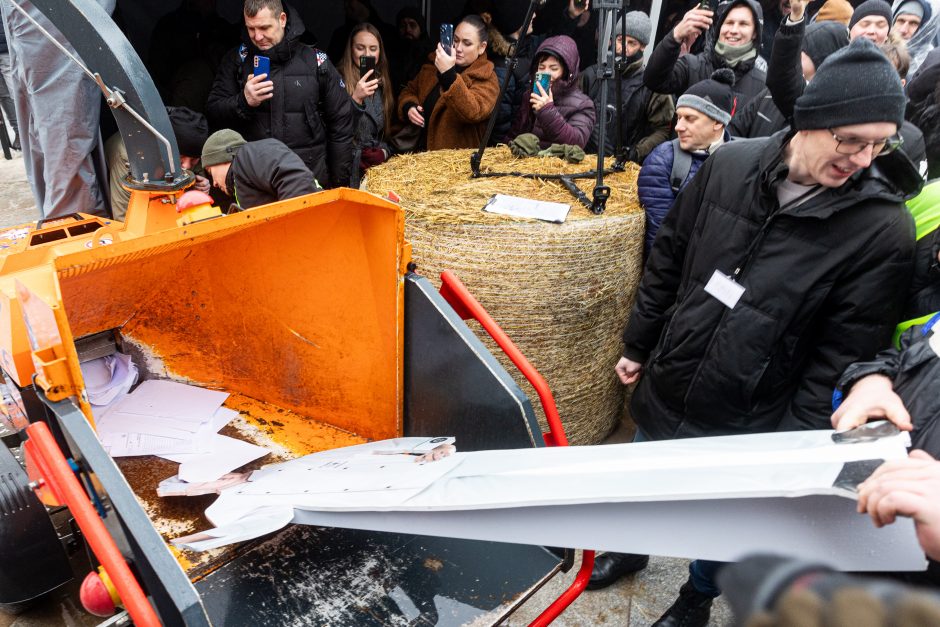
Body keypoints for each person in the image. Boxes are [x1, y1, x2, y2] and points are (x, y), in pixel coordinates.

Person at [617, 38, 918, 626]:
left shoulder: (882, 229)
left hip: (753, 413)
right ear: (811, 121)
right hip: (673, 377)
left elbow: (843, 353)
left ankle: (695, 597)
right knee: (637, 482)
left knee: (729, 525)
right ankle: (626, 549)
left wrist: (791, 448)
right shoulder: (728, 165)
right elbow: (670, 261)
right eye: (850, 140)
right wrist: (638, 343)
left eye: (879, 144)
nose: (862, 159)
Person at [206, 0, 354, 190]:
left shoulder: (316, 61)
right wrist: (244, 102)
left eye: (264, 27)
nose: (257, 36)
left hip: (309, 181)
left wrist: (339, 185)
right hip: (255, 185)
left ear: (282, 19)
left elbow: (341, 125)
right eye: (251, 29)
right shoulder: (237, 60)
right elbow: (212, 113)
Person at [639, 70, 735, 257]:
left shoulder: (739, 161)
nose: (678, 127)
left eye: (690, 119)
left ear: (717, 122)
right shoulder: (663, 160)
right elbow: (659, 242)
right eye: (679, 117)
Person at [580, 11, 675, 162]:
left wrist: (635, 152)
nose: (623, 48)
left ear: (643, 46)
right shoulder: (592, 75)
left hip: (624, 168)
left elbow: (662, 129)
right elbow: (574, 112)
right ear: (612, 40)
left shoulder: (652, 85)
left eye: (632, 43)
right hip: (583, 159)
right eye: (620, 40)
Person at [730, 20, 848, 138]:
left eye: (802, 49)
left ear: (822, 59)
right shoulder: (770, 92)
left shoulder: (824, 112)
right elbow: (736, 127)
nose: (794, 53)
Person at [398, 15, 499, 151]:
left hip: (454, 164)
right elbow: (409, 90)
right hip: (419, 157)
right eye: (455, 40)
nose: (458, 48)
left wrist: (449, 76)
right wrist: (409, 106)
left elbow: (473, 112)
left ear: (482, 47)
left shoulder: (487, 77)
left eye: (467, 43)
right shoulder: (434, 64)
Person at [643, 0, 767, 107]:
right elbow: (653, 80)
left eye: (743, 24)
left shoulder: (762, 85)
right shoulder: (692, 66)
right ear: (719, 28)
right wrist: (675, 36)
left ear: (755, 32)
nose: (734, 30)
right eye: (729, 23)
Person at [105, 107, 211, 220]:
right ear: (164, 150)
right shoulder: (128, 155)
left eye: (194, 160)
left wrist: (197, 189)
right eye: (180, 160)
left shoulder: (186, 130)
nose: (187, 166)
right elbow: (124, 216)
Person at [507, 35, 594, 149]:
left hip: (558, 165)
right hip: (528, 164)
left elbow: (577, 142)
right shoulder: (530, 95)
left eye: (554, 69)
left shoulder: (583, 104)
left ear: (567, 72)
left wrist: (547, 110)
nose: (546, 74)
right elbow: (514, 134)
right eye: (541, 67)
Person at [200, 129, 320, 209]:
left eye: (210, 172)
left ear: (223, 158)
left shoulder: (247, 155)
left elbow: (297, 180)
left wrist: (291, 225)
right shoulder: (241, 176)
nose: (214, 183)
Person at [338, 23, 394, 187]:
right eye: (360, 48)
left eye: (373, 49)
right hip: (349, 169)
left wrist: (384, 152)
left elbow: (388, 132)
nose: (367, 54)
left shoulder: (382, 82)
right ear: (351, 50)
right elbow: (336, 129)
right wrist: (356, 99)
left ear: (380, 52)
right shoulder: (338, 79)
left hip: (376, 170)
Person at [891, 0, 938, 73]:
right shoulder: (879, 54)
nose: (903, 30)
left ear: (924, 29)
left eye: (913, 23)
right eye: (901, 21)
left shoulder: (933, 63)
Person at [0, 19, 19, 151]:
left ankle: (25, 132)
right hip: (5, 45)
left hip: (5, 47)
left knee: (15, 92)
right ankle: (19, 132)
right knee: (5, 95)